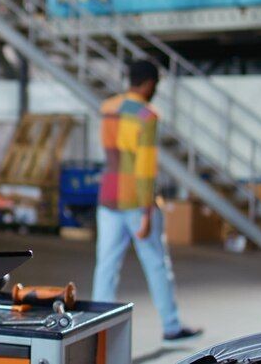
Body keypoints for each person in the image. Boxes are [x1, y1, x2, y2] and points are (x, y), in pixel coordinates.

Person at [92, 60, 202, 342]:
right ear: (150, 84)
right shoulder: (146, 115)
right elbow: (145, 167)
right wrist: (147, 211)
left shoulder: (108, 108)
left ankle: (95, 331)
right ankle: (171, 325)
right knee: (156, 264)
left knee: (106, 266)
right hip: (134, 199)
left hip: (108, 196)